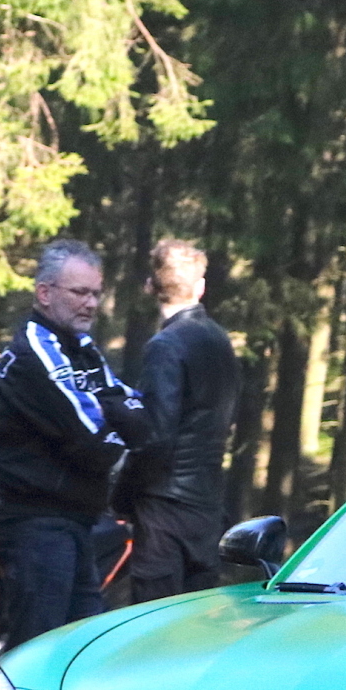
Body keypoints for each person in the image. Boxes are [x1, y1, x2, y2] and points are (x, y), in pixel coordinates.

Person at [0, 238, 145, 647]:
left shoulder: (82, 349)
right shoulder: (36, 352)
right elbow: (92, 436)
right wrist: (123, 440)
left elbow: (134, 410)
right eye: (79, 292)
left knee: (80, 650)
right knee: (37, 651)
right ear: (45, 293)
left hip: (79, 522)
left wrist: (130, 424)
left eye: (95, 293)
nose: (90, 304)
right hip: (38, 525)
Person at [123, 239, 241, 604]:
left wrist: (123, 494)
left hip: (164, 508)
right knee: (195, 619)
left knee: (152, 620)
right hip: (207, 503)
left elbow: (155, 436)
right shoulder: (221, 341)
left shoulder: (165, 346)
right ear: (201, 287)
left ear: (150, 287)